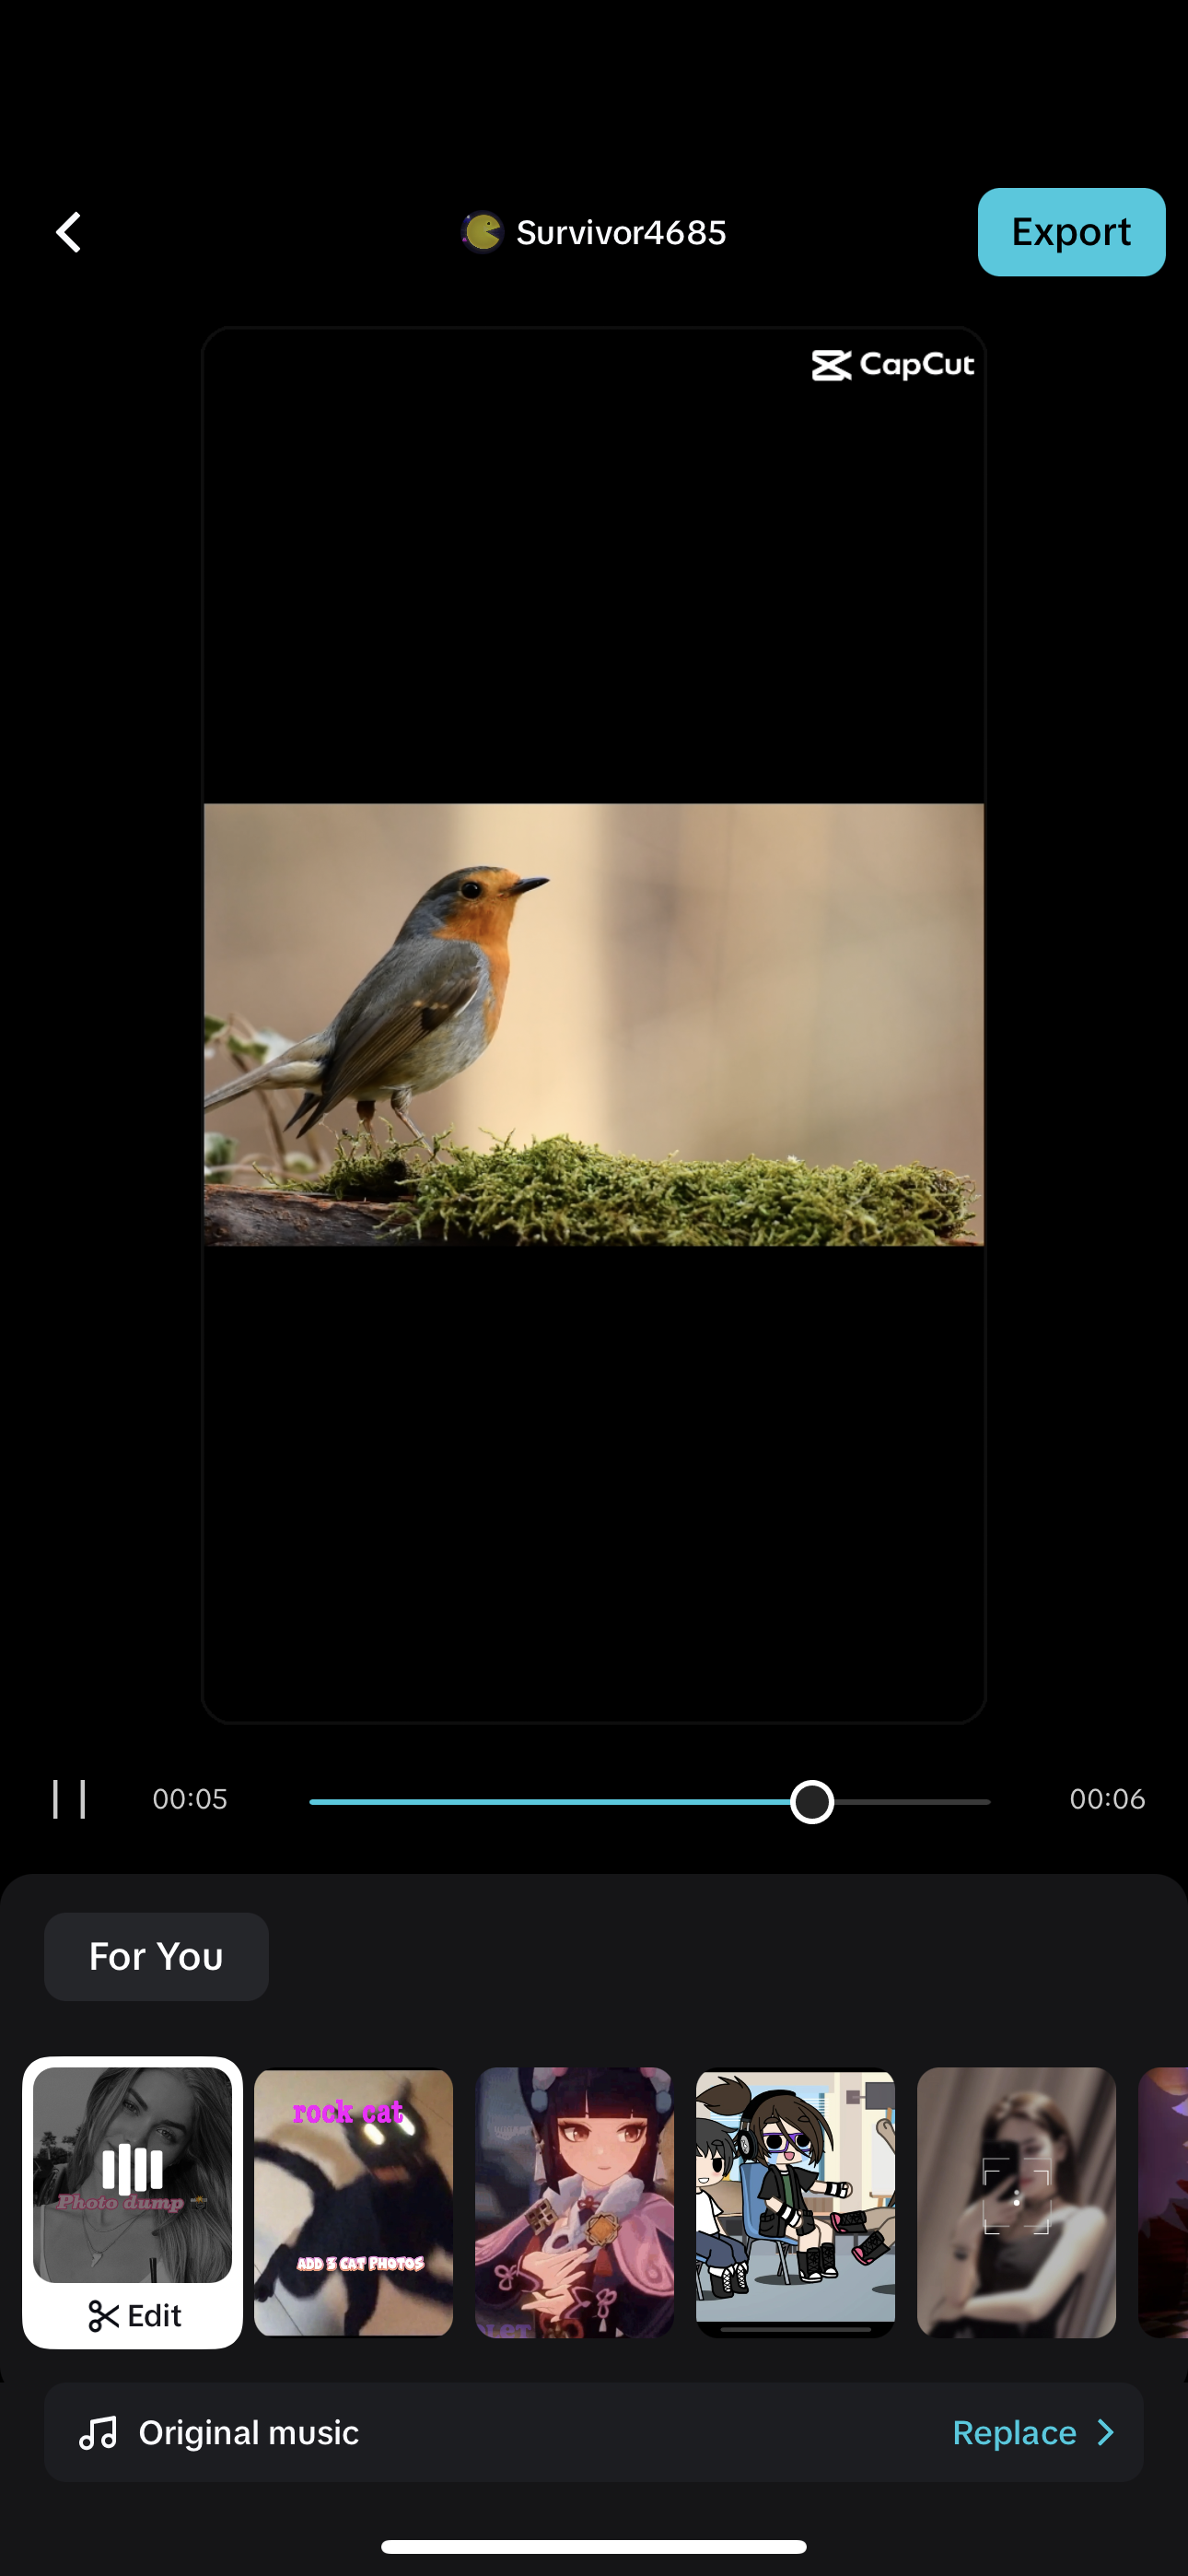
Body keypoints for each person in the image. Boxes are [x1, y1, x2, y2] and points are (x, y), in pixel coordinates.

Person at [475, 2067, 674, 2336]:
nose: (602, 2153)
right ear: (549, 2137)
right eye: (577, 2132)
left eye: (629, 2132)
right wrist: (528, 2272)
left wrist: (587, 2302)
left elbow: (655, 2314)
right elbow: (489, 2267)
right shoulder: (557, 2200)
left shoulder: (651, 2216)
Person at [928, 2090, 1107, 2337]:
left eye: (1032, 2149)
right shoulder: (995, 2210)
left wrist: (957, 2310)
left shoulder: (1084, 2220)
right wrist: (968, 2228)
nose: (1021, 2164)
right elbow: (957, 2295)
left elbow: (1033, 2306)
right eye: (1009, 2152)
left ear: (1061, 2149)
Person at [34, 2066, 232, 2284]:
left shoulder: (201, 2248)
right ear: (102, 2101)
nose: (137, 2140)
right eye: (130, 2106)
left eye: (166, 2133)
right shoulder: (29, 2229)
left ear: (180, 2154)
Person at [699, 2079, 854, 2281]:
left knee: (825, 2228)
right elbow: (769, 2200)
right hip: (773, 2222)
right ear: (750, 2144)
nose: (790, 2150)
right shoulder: (769, 2174)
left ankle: (826, 2265)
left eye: (801, 2140)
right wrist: (790, 2216)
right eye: (775, 2141)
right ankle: (809, 2270)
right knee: (808, 2235)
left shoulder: (795, 2172)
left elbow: (814, 2186)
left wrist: (836, 2189)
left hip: (799, 2217)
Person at [694, 2116, 749, 2298]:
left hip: (712, 2234)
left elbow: (715, 2219)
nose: (704, 2173)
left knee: (737, 2246)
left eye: (716, 2164)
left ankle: (736, 2277)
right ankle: (719, 2284)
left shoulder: (706, 2196)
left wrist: (724, 2235)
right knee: (721, 2250)